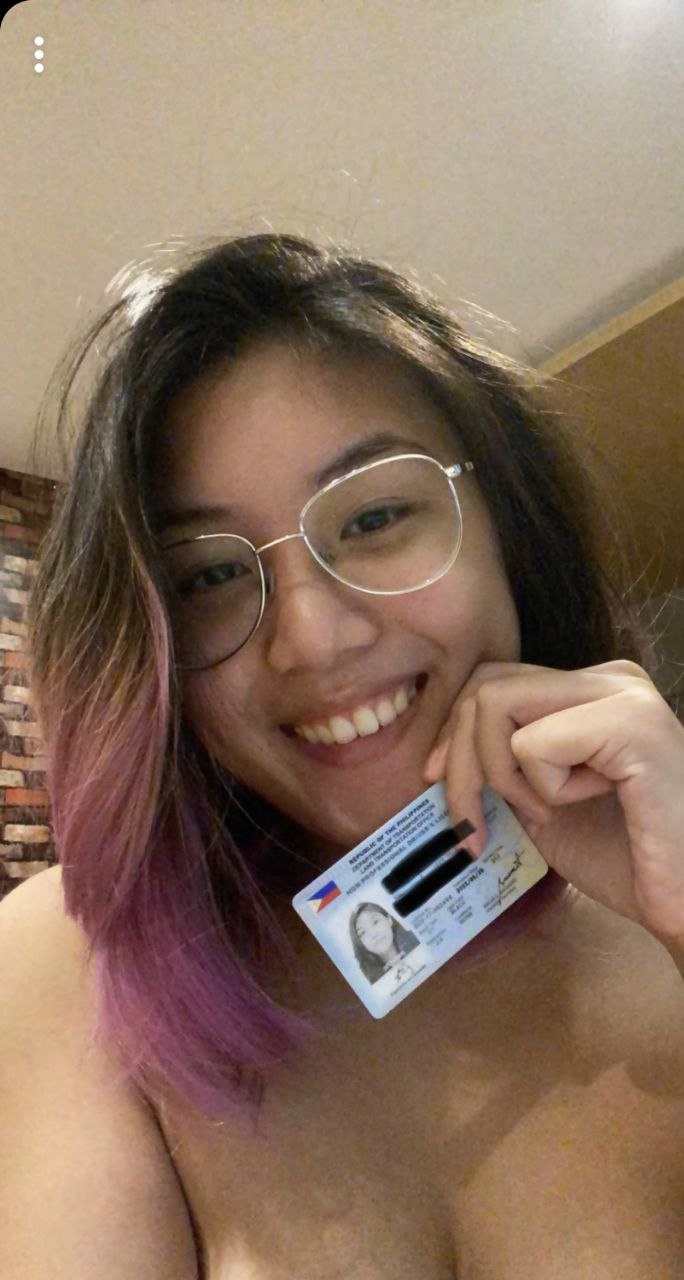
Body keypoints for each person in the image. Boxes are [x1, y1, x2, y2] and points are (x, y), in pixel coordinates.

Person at [3, 232, 684, 1277]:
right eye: (209, 577)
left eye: (374, 516)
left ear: (507, 523)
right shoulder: (76, 966)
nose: (314, 639)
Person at [349, 902, 420, 983]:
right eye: (362, 932)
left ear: (389, 920)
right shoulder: (369, 980)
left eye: (375, 922)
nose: (373, 934)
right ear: (360, 943)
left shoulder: (417, 939)